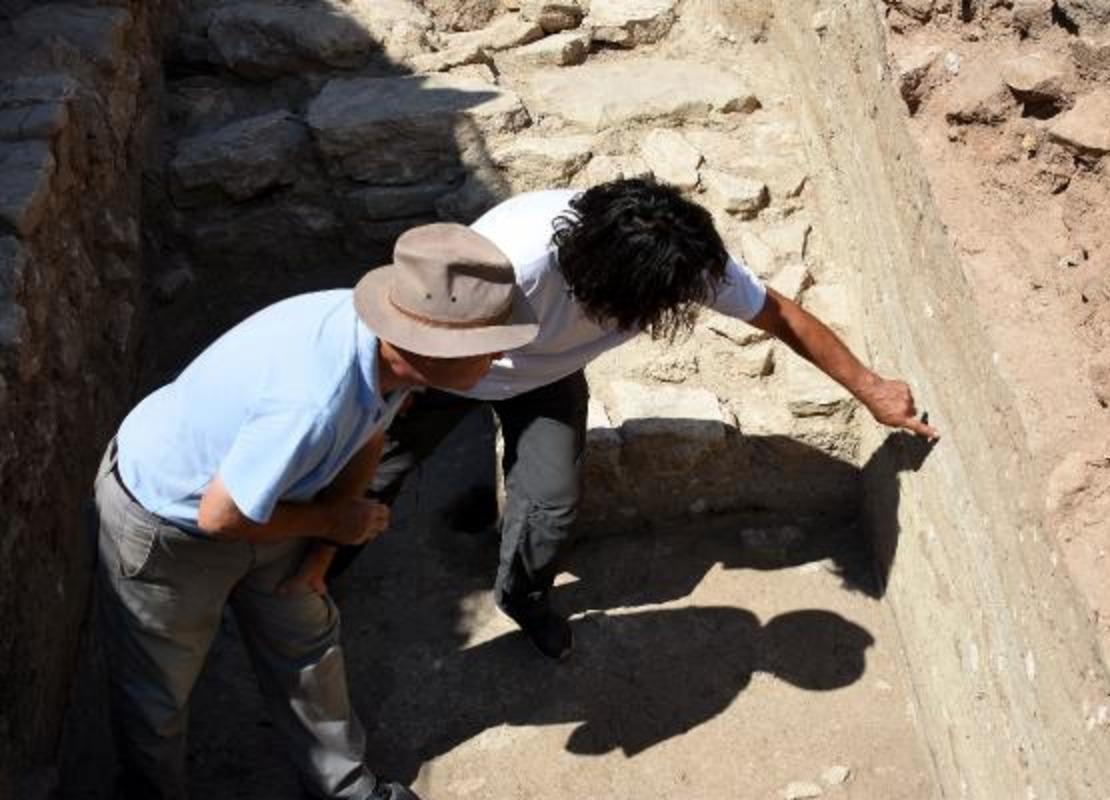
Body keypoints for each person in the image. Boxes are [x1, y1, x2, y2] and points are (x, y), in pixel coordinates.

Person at [325, 178, 939, 662]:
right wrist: (389, 394)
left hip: (544, 377)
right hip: (446, 366)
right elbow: (418, 324)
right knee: (375, 478)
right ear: (593, 282)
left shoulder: (676, 257)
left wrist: (870, 387)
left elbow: (779, 314)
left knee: (550, 504)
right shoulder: (517, 260)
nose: (666, 311)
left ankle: (524, 597)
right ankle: (311, 584)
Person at [92, 224, 539, 800]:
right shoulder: (311, 401)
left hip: (274, 503)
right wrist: (332, 523)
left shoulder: (384, 355)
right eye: (487, 342)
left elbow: (372, 432)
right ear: (424, 348)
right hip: (166, 526)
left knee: (307, 645)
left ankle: (345, 789)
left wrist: (328, 539)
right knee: (156, 693)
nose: (501, 352)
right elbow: (220, 518)